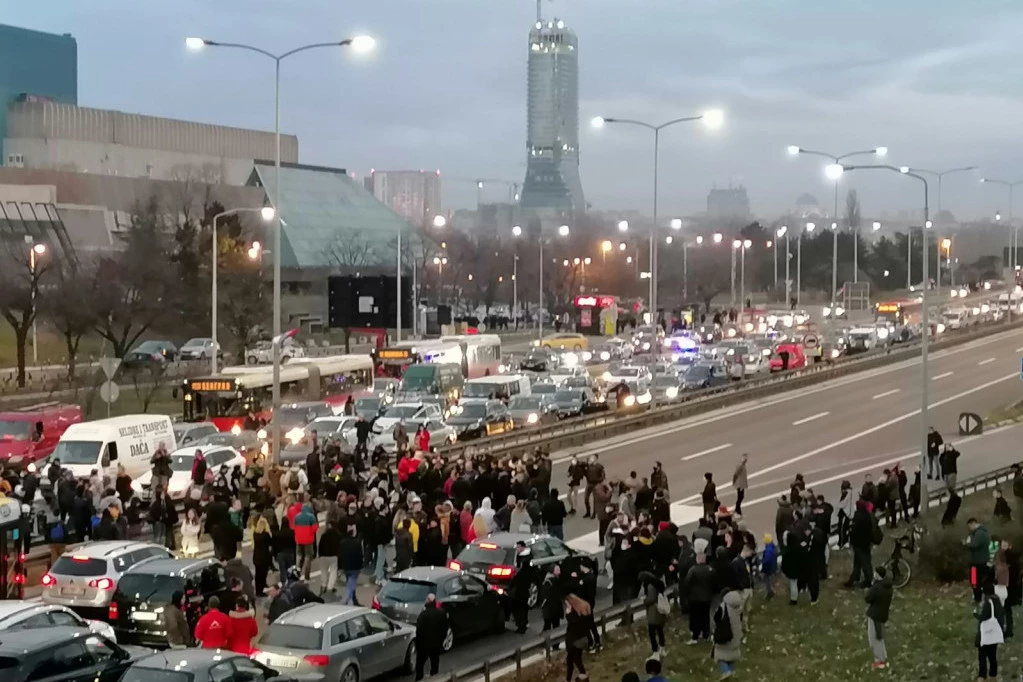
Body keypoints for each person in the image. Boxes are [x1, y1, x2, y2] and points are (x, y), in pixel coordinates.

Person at [976, 581, 1006, 680]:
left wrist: (976, 615)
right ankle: (993, 673)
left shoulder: (988, 603)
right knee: (992, 654)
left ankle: (982, 674)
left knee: (982, 654)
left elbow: (983, 617)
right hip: (995, 633)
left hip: (987, 633)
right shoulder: (998, 601)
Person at [865, 566, 893, 670]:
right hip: (882, 615)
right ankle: (884, 658)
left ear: (878, 575)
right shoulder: (888, 587)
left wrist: (872, 586)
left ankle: (879, 660)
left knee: (873, 638)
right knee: (879, 637)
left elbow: (868, 598)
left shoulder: (877, 587)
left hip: (874, 615)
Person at [414, 594, 448, 681]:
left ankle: (419, 679)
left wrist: (418, 643)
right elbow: (445, 628)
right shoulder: (441, 613)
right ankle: (434, 678)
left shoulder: (423, 615)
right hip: (436, 643)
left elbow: (419, 630)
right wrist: (442, 639)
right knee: (435, 662)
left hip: (424, 644)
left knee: (420, 664)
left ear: (428, 600)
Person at [683, 550, 714, 643]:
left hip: (694, 598)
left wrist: (687, 594)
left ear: (697, 559)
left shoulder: (693, 570)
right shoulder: (710, 569)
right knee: (705, 616)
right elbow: (714, 582)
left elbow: (687, 583)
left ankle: (695, 636)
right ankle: (706, 634)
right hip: (707, 598)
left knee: (695, 617)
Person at [712, 588, 743, 679]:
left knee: (720, 655)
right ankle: (731, 671)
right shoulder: (738, 606)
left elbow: (716, 618)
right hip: (736, 634)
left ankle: (725, 671)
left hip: (725, 634)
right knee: (731, 655)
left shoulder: (723, 606)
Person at [845, 500, 877, 589]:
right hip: (866, 543)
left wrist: (849, 532)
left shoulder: (858, 516)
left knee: (864, 562)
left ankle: (868, 580)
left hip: (859, 543)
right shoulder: (867, 515)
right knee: (858, 562)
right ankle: (854, 578)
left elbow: (855, 530)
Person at [564, 594, 591, 682]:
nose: (567, 606)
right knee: (573, 661)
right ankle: (571, 679)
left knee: (575, 661)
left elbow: (573, 623)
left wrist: (568, 613)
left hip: (574, 641)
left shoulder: (575, 614)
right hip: (580, 640)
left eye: (567, 604)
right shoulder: (583, 610)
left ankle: (582, 678)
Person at [640, 571, 667, 656]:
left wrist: (644, 601)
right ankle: (662, 647)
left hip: (653, 611)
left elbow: (651, 599)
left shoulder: (651, 586)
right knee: (660, 630)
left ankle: (655, 650)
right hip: (660, 610)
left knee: (652, 632)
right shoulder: (658, 583)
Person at [966, 517, 992, 603]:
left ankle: (977, 598)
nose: (969, 529)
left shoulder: (978, 533)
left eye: (969, 526)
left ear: (973, 524)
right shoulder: (985, 532)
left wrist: (967, 543)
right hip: (984, 561)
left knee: (974, 581)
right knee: (983, 581)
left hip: (976, 562)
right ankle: (984, 598)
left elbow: (974, 544)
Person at [338, 523, 363, 606]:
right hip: (355, 567)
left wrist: (340, 567)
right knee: (351, 585)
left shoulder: (342, 542)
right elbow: (360, 555)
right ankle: (346, 601)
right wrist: (360, 565)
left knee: (350, 583)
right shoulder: (356, 542)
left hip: (346, 567)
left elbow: (340, 555)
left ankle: (353, 600)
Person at [293, 502, 319, 580]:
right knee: (308, 556)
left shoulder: (296, 517)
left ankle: (297, 573)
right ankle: (307, 576)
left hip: (298, 539)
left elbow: (294, 527)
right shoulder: (311, 517)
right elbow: (315, 528)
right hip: (308, 540)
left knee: (299, 555)